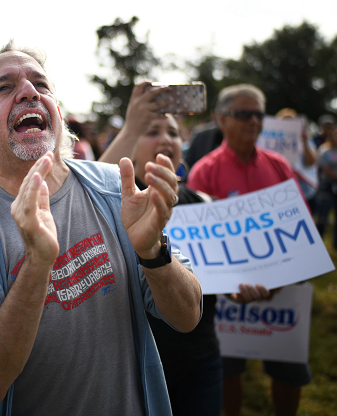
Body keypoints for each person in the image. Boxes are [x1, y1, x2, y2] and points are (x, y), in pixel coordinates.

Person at [0, 41, 202, 416]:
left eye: (41, 85)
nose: (28, 92)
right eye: (5, 88)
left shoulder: (112, 187)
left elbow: (187, 317)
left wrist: (153, 252)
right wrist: (37, 266)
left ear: (56, 111)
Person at [187, 84, 312, 416]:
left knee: (289, 371)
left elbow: (302, 228)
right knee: (228, 371)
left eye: (259, 114)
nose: (253, 121)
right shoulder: (204, 171)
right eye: (244, 114)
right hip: (228, 297)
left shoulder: (280, 166)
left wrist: (282, 279)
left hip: (282, 291)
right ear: (220, 119)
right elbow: (195, 244)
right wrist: (230, 285)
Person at [99, 81, 222, 416]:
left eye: (173, 132)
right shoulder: (114, 203)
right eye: (152, 131)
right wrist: (131, 124)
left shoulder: (204, 202)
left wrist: (241, 285)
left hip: (201, 358)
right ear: (132, 145)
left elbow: (220, 274)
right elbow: (88, 188)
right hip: (141, 362)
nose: (166, 138)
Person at [315, 127, 337, 248]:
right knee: (323, 215)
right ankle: (318, 242)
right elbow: (324, 168)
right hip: (326, 186)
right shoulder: (324, 151)